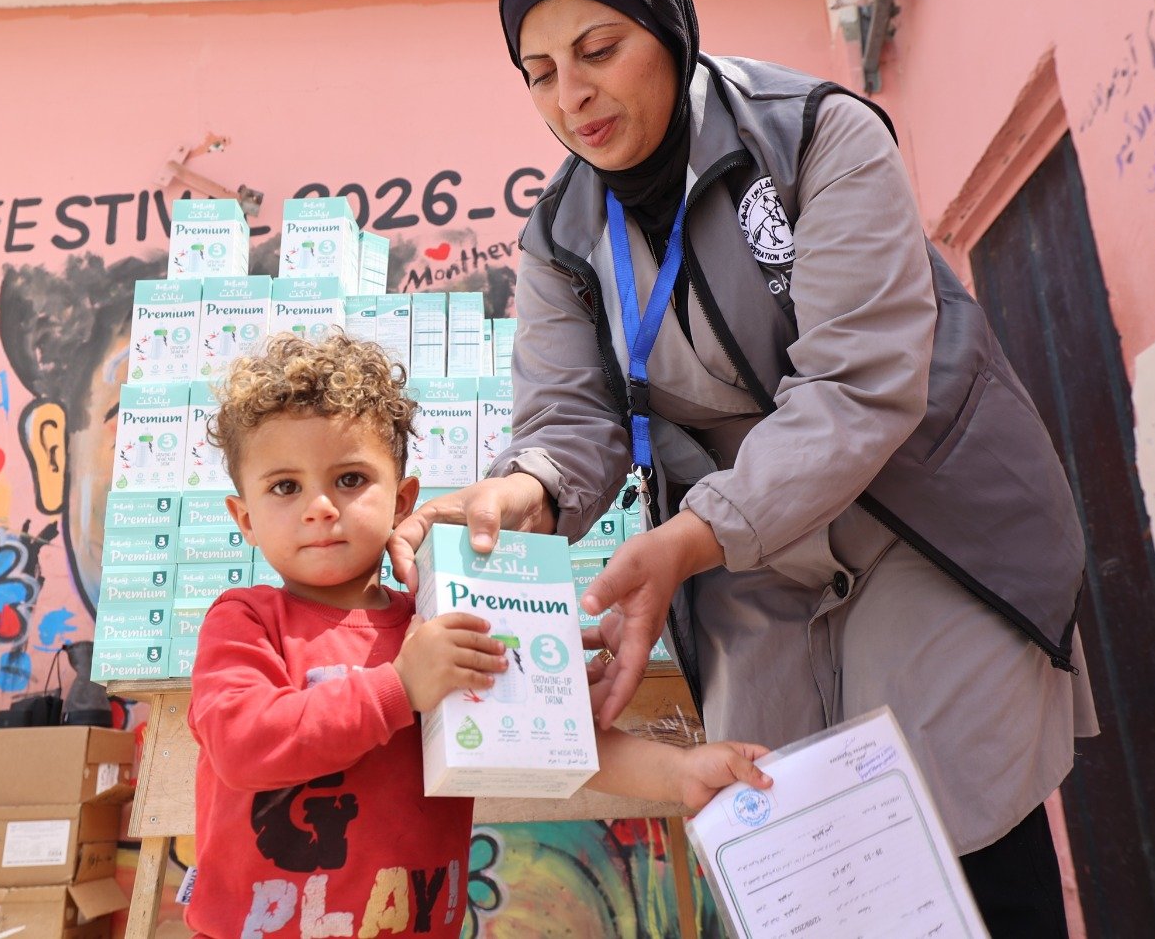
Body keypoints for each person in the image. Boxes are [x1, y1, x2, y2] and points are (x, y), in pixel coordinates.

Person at [389, 0, 1100, 936]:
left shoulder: (817, 134)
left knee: (955, 816)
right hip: (743, 565)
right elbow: (569, 417)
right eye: (539, 72)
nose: (571, 94)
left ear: (669, 25)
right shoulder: (560, 236)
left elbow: (858, 383)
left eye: (599, 49)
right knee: (795, 842)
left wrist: (689, 537)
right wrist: (524, 486)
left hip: (918, 517)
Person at [186, 332, 772, 939]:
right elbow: (241, 744)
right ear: (245, 518)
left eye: (351, 479)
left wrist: (679, 773)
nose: (321, 507)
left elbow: (548, 742)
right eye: (285, 487)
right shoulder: (246, 621)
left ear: (403, 502)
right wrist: (398, 688)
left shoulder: (445, 617)